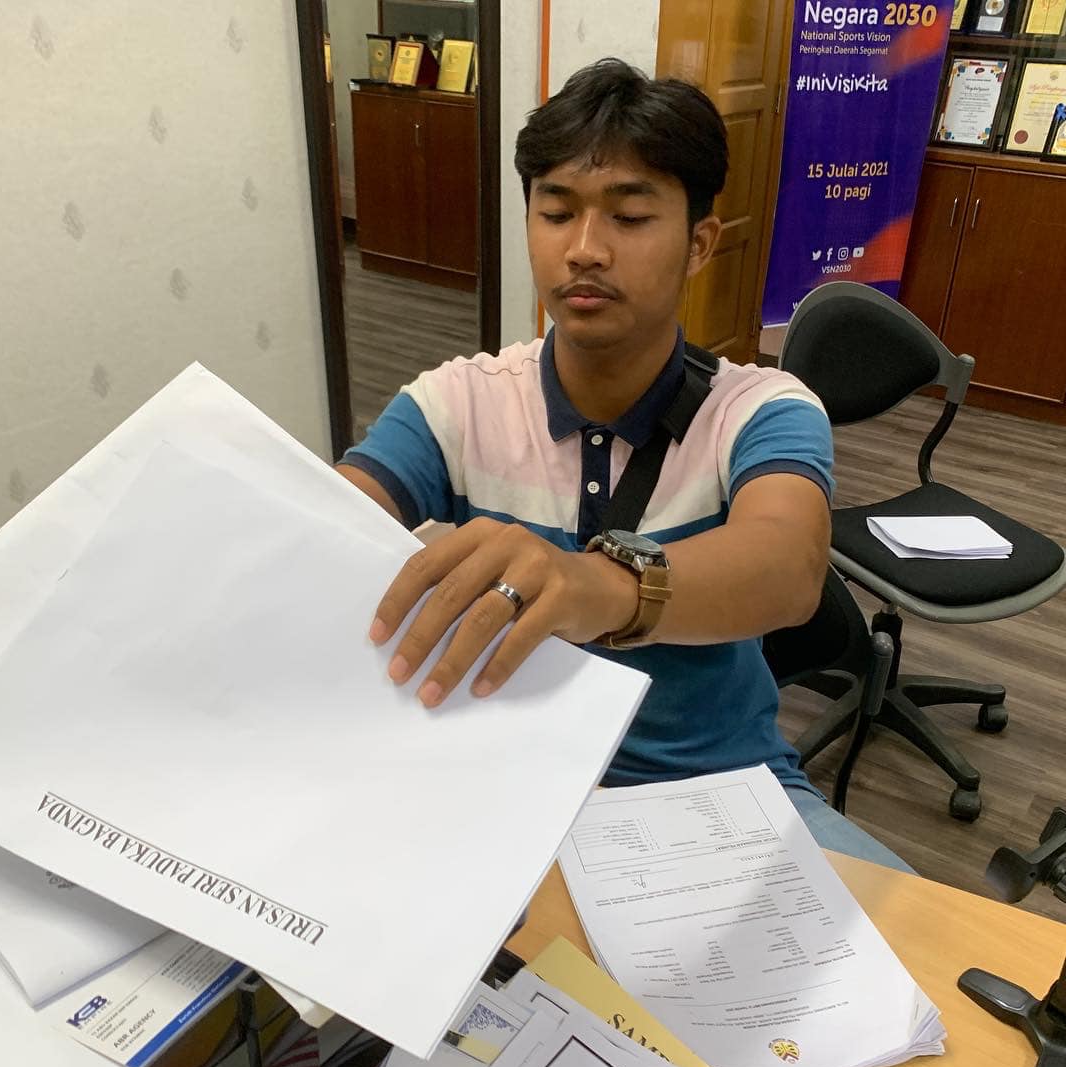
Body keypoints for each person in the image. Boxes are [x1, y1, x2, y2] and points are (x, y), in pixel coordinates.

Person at [336, 58, 910, 873]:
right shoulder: (457, 403)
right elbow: (324, 522)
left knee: (908, 934)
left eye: (631, 216)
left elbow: (789, 568)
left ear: (699, 243)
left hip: (716, 790)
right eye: (555, 212)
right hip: (499, 786)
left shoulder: (760, 409)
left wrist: (593, 586)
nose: (584, 250)